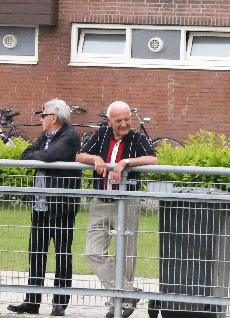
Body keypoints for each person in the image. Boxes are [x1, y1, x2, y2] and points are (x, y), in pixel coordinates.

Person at [76, 101, 159, 318]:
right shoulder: (101, 134)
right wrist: (95, 158)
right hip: (101, 201)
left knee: (126, 255)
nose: (124, 124)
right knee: (93, 251)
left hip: (127, 203)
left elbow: (153, 159)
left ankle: (119, 303)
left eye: (127, 119)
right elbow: (79, 156)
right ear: (108, 121)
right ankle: (129, 293)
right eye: (118, 120)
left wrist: (126, 162)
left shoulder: (137, 138)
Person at [8, 100, 82, 317]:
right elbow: (25, 155)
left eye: (43, 115)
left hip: (61, 206)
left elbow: (50, 156)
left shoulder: (70, 135)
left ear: (54, 118)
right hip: (40, 206)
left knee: (62, 254)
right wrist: (41, 157)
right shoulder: (45, 136)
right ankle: (32, 301)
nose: (40, 119)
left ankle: (60, 303)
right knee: (36, 253)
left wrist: (40, 157)